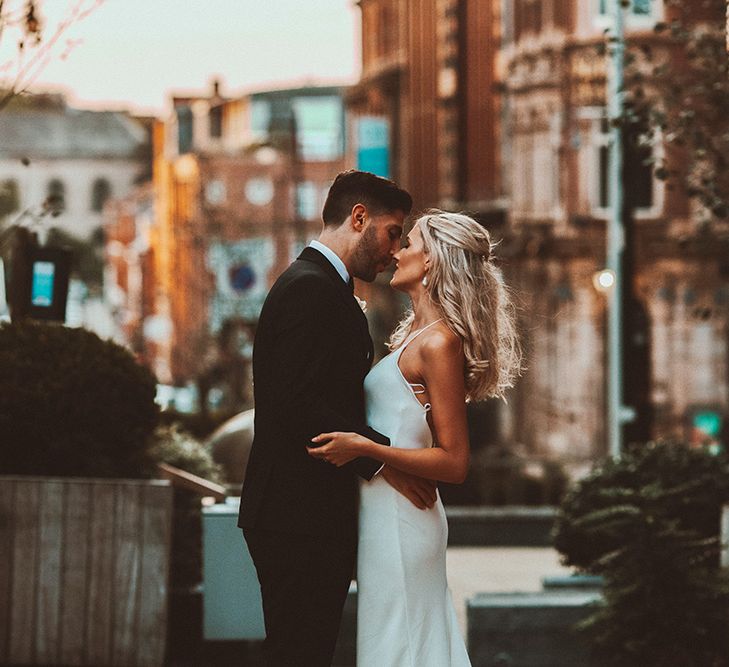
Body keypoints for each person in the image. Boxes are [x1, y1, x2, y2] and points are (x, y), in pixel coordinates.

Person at [238, 170, 438, 667]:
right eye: (393, 232)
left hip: (303, 514)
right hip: (297, 515)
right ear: (359, 218)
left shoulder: (321, 284)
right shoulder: (311, 289)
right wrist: (382, 461)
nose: (395, 250)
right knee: (299, 653)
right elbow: (296, 403)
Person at [308, 210, 522, 666]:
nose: (398, 251)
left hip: (404, 521)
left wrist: (365, 448)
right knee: (396, 645)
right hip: (384, 514)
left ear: (433, 261)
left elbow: (454, 461)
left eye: (411, 243)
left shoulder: (439, 344)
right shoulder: (414, 337)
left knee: (400, 648)